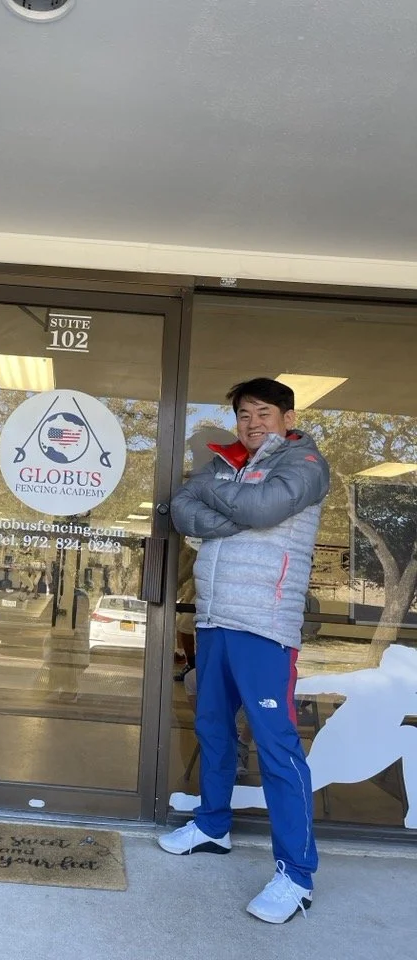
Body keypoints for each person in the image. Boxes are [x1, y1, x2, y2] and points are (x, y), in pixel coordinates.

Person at [159, 378, 329, 924]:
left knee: (278, 747)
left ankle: (297, 875)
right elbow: (181, 510)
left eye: (262, 413)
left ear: (286, 414)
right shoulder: (227, 463)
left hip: (265, 626)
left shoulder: (304, 462)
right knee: (213, 729)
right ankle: (213, 826)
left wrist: (232, 506)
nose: (252, 424)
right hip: (213, 619)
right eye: (243, 415)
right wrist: (239, 508)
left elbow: (259, 508)